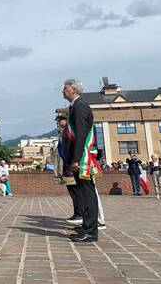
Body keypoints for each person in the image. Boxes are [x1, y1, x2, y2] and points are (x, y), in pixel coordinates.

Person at [63, 79, 99, 243]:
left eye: (66, 88)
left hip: (82, 157)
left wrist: (76, 159)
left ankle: (91, 231)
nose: (63, 90)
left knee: (87, 193)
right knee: (83, 193)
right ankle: (86, 225)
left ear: (74, 90)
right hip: (78, 157)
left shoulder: (80, 106)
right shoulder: (74, 107)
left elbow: (81, 135)